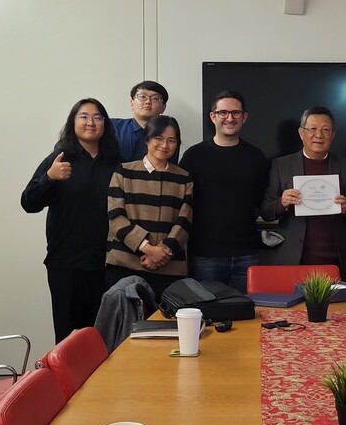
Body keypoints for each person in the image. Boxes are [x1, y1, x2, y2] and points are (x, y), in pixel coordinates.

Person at [21, 98, 120, 343]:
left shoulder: (115, 162)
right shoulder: (59, 158)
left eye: (97, 117)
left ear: (105, 124)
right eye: (83, 116)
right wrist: (49, 177)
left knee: (101, 336)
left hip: (106, 263)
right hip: (66, 262)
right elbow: (28, 203)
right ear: (73, 122)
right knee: (68, 337)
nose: (90, 122)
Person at [260, 106, 346, 282]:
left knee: (338, 309)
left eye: (326, 130)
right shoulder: (281, 165)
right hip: (294, 258)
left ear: (333, 135)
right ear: (301, 133)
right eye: (312, 129)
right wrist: (282, 202)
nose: (319, 135)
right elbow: (265, 210)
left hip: (337, 259)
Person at [179, 90, 268, 293]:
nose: (230, 118)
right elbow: (183, 203)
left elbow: (261, 201)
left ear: (244, 117)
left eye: (236, 113)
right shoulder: (193, 156)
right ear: (213, 116)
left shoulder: (256, 157)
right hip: (205, 255)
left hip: (247, 253)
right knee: (208, 314)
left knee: (248, 313)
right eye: (223, 113)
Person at [106, 115, 193, 300]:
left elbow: (185, 220)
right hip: (125, 264)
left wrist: (163, 252)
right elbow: (116, 217)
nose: (165, 145)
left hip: (169, 267)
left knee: (166, 326)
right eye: (159, 138)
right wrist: (147, 249)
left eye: (172, 140)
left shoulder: (184, 177)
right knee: (125, 325)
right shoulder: (124, 171)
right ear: (147, 139)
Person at [111, 80, 178, 163]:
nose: (148, 102)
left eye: (155, 98)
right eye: (142, 97)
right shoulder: (112, 127)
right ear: (132, 103)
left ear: (163, 108)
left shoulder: (169, 133)